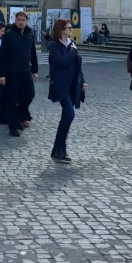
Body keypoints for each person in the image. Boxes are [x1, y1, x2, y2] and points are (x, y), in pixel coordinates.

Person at [47, 18, 86, 163]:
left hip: (72, 85)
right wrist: (73, 51)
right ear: (61, 30)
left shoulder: (71, 44)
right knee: (69, 114)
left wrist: (82, 80)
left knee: (67, 115)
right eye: (69, 27)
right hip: (60, 85)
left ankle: (58, 150)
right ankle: (59, 148)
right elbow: (62, 62)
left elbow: (78, 65)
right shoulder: (54, 45)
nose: (71, 29)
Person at [0, 11, 39, 137]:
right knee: (12, 99)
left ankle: (19, 114)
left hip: (26, 71)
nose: (21, 22)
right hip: (12, 72)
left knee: (30, 94)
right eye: (18, 19)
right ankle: (13, 126)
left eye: (23, 20)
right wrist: (1, 74)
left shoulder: (29, 34)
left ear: (26, 21)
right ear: (15, 21)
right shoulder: (9, 35)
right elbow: (2, 55)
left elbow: (33, 54)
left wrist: (35, 70)